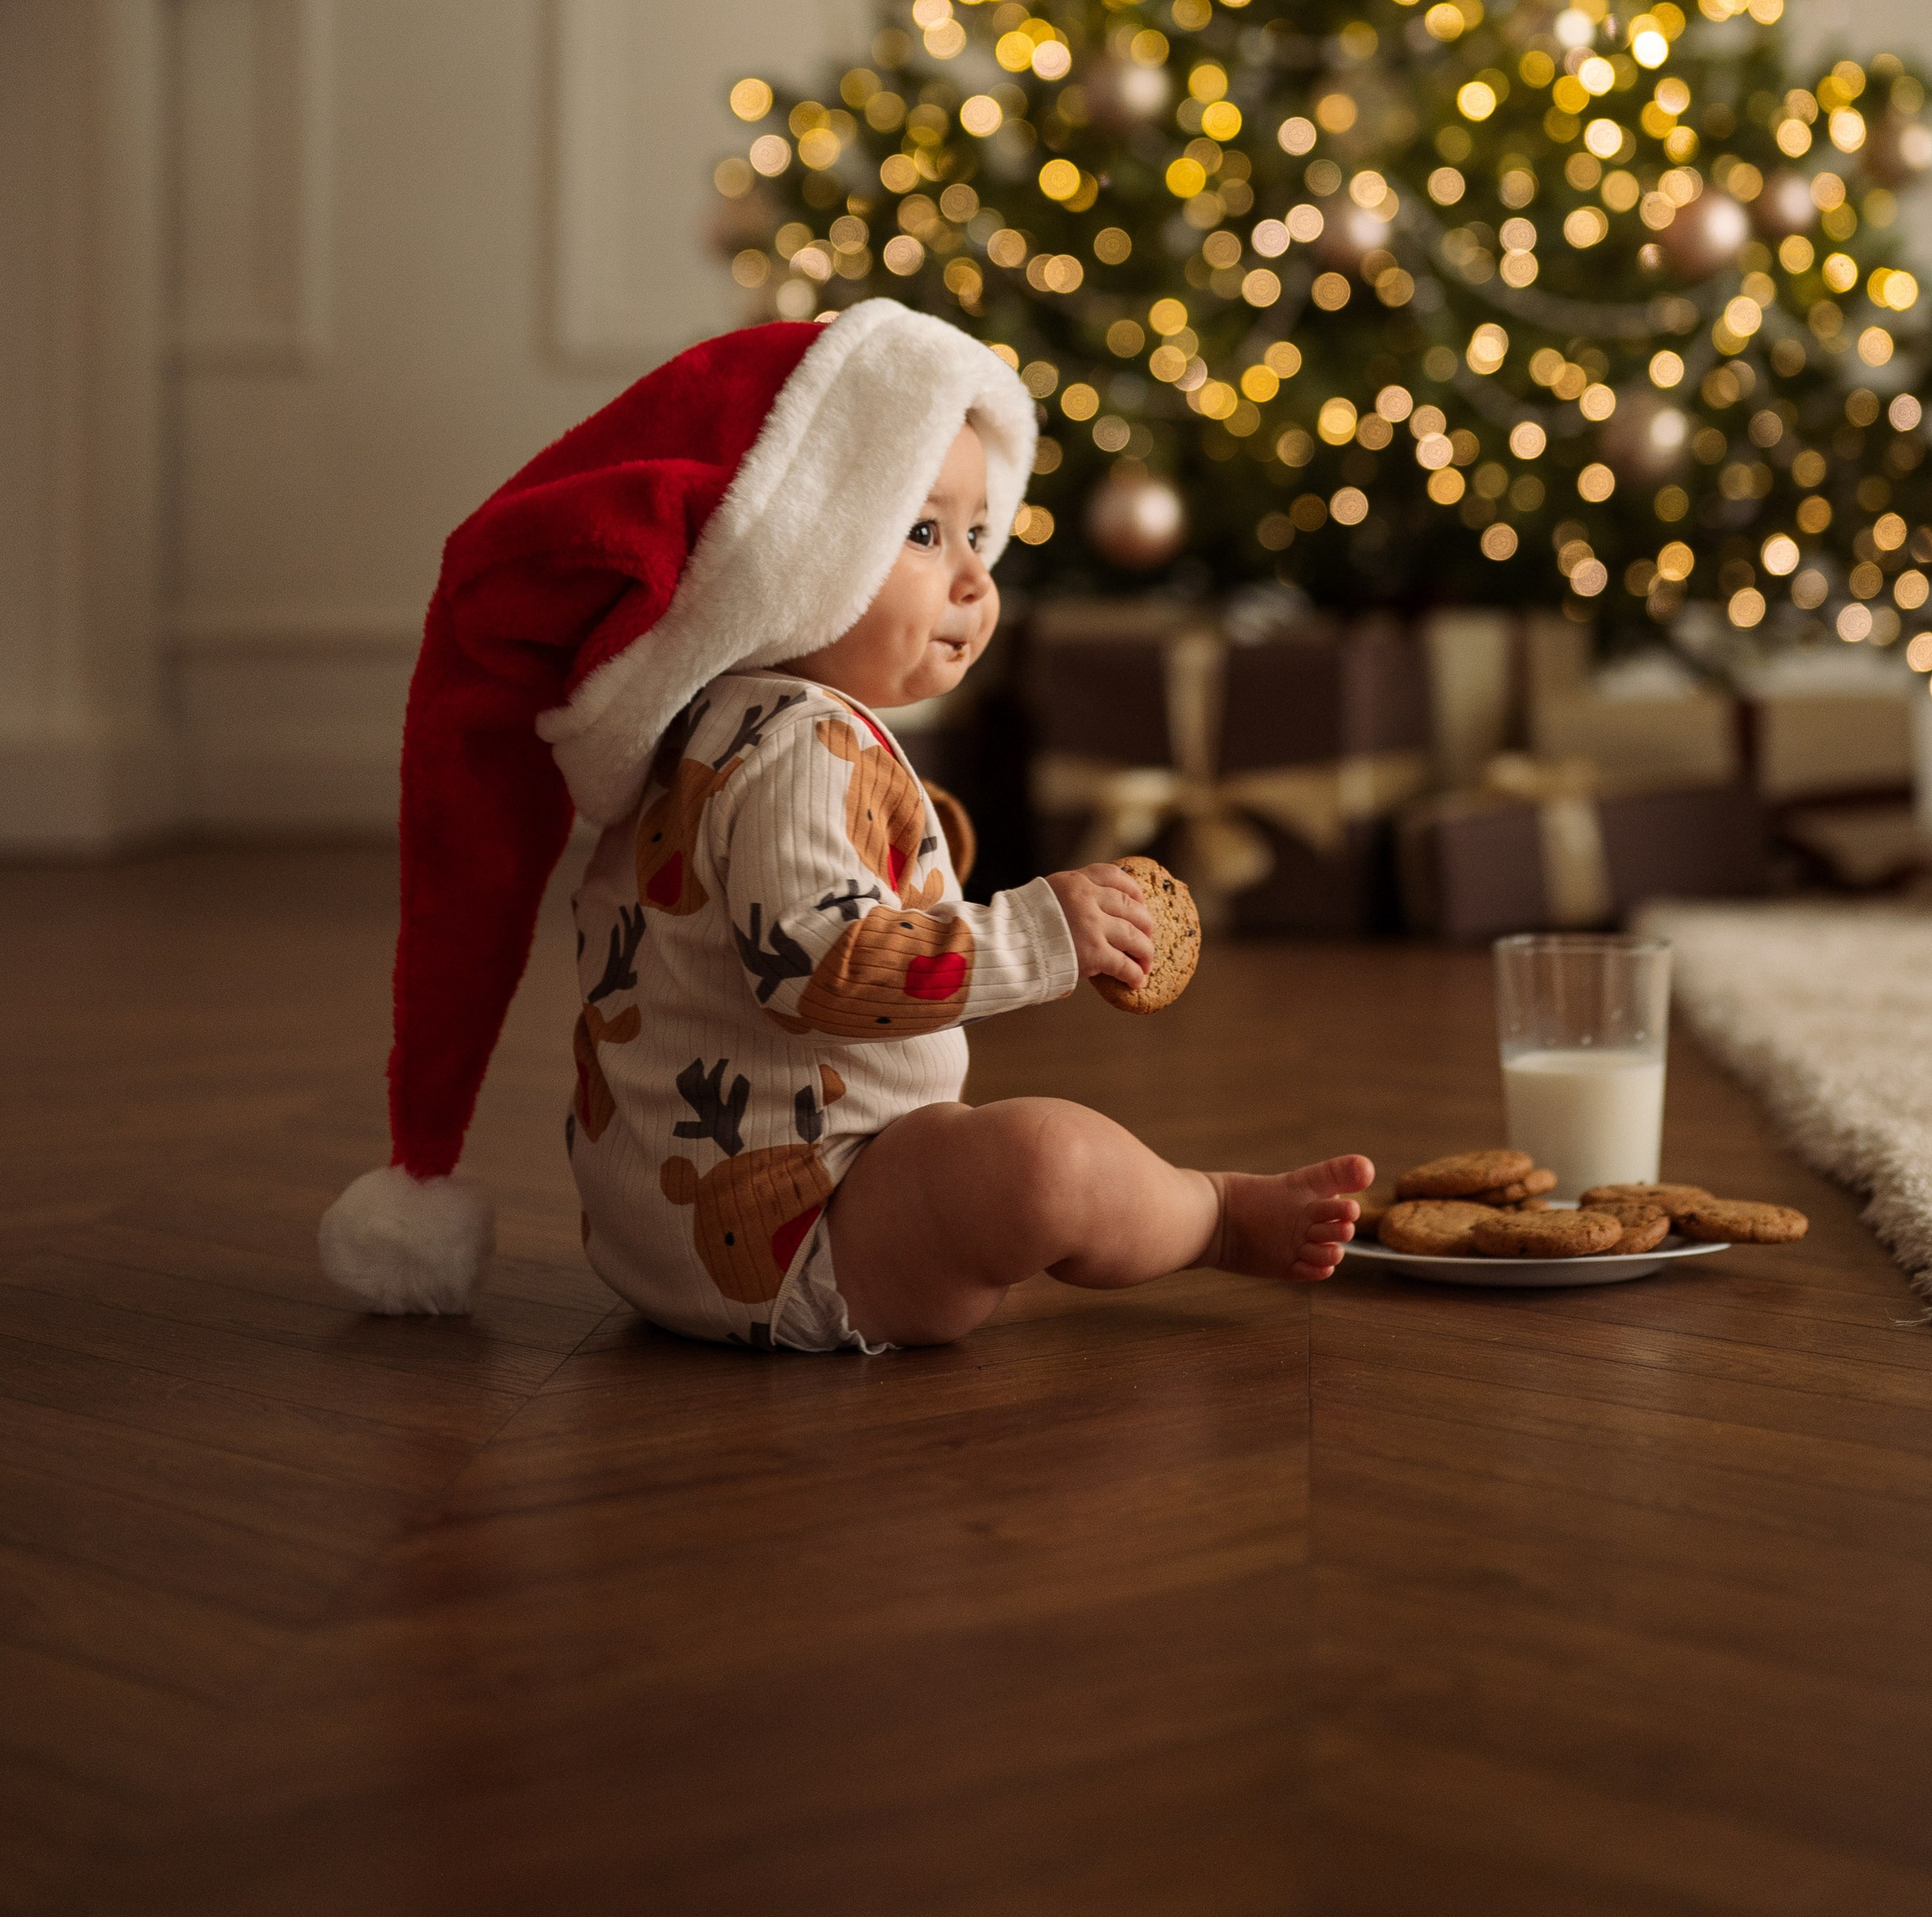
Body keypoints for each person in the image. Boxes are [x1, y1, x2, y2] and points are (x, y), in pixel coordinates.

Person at [319, 299, 1372, 1348]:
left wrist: (927, 845)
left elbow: (748, 896)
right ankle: (1215, 1213)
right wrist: (1043, 933)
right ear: (797, 551)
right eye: (921, 531)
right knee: (1047, 1161)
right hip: (806, 1217)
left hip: (664, 1227)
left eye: (976, 530)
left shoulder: (710, 721)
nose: (974, 573)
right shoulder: (797, 741)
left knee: (997, 1150)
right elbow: (815, 964)